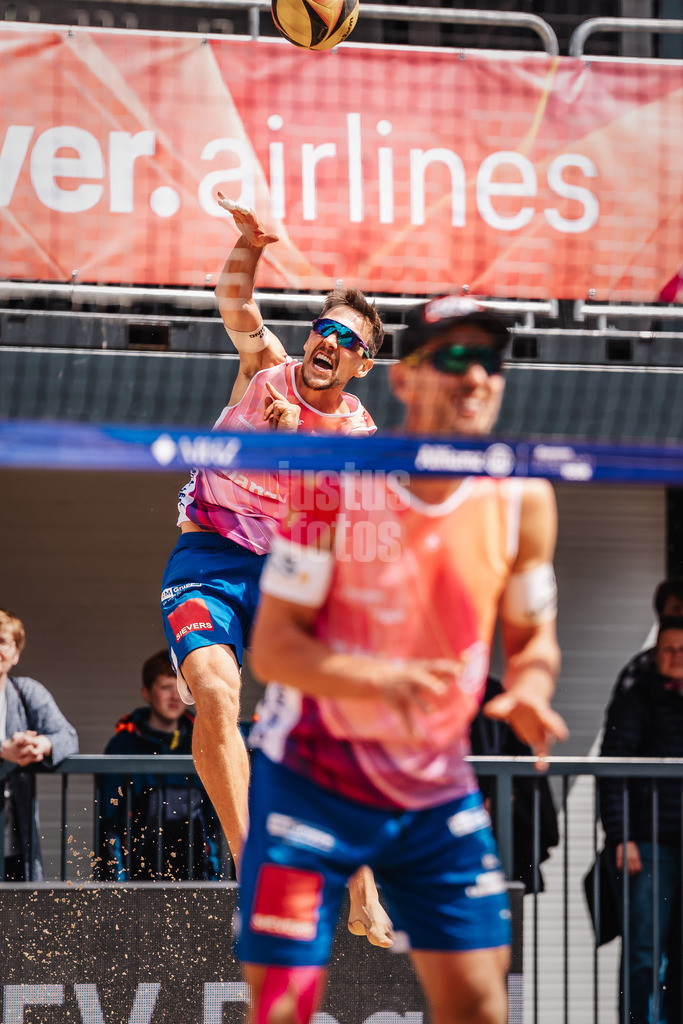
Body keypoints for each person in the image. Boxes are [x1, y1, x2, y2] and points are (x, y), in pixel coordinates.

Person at [240, 294, 568, 1024]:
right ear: (403, 379)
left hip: (432, 787)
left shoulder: (522, 498)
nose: (475, 377)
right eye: (452, 358)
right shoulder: (333, 481)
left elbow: (530, 637)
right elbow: (273, 648)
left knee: (481, 1004)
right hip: (309, 776)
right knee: (282, 1009)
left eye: (488, 360)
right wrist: (381, 678)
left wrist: (531, 687)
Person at [160, 196, 390, 943]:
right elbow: (233, 301)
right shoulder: (265, 368)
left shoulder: (355, 431)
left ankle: (359, 888)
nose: (327, 340)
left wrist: (293, 450)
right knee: (216, 696)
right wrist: (249, 243)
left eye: (345, 338)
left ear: (361, 364)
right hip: (211, 551)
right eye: (322, 327)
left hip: (288, 564)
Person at [599, 614, 683, 1024]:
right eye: (668, 649)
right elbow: (612, 767)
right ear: (656, 653)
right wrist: (621, 835)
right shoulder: (637, 691)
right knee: (644, 954)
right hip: (647, 845)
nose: (675, 657)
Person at [97, 650, 222, 881]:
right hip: (138, 876)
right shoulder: (123, 744)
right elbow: (109, 819)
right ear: (146, 693)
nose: (175, 696)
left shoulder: (205, 740)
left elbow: (213, 821)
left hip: (196, 876)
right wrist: (115, 883)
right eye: (166, 687)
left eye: (182, 688)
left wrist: (213, 880)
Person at [0, 608, 79, 881]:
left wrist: (41, 745)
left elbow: (68, 737)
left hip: (13, 845)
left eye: (3, 642)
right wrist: (3, 752)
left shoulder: (26, 692)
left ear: (16, 652)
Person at [470, 676, 559, 894]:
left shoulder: (494, 693)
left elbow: (514, 753)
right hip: (459, 811)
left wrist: (497, 793)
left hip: (497, 818)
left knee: (499, 893)